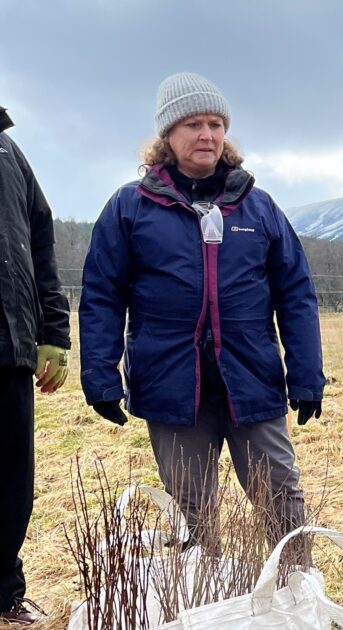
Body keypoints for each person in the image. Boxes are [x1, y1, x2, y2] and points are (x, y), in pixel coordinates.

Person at [79, 72, 325, 552]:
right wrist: (100, 375)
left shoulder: (258, 208)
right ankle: (202, 603)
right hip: (171, 385)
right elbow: (102, 294)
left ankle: (296, 597)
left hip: (251, 379)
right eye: (193, 124)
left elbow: (295, 294)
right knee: (191, 513)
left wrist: (307, 375)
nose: (207, 135)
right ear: (167, 136)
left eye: (216, 123)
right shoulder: (131, 208)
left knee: (281, 497)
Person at [0, 106, 71, 625]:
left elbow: (39, 241)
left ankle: (3, 594)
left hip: (11, 347)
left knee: (9, 482)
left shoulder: (8, 151)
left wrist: (53, 333)